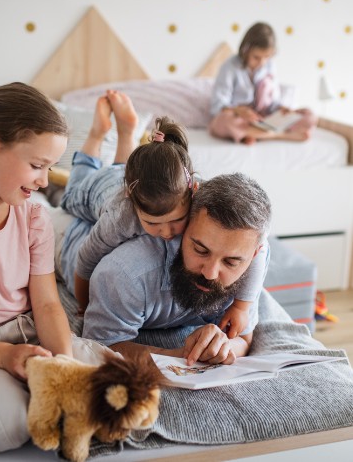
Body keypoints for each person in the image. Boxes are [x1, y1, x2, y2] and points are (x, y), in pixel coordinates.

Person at [0, 82, 112, 453]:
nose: (45, 181)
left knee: (110, 387)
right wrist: (4, 357)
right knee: (8, 427)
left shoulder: (33, 216)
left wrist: (63, 364)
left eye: (49, 168)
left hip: (31, 334)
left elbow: (47, 304)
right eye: (36, 166)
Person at [59, 90, 268, 339]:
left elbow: (257, 245)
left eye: (178, 220)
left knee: (127, 169)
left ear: (194, 190)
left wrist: (242, 306)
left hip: (142, 181)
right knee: (72, 192)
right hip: (101, 190)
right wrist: (83, 304)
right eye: (153, 224)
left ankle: (126, 133)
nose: (168, 233)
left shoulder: (199, 196)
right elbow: (86, 260)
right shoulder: (121, 216)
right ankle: (98, 134)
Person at [55, 170, 272, 365]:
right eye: (200, 250)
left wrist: (223, 347)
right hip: (71, 235)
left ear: (253, 254)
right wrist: (179, 356)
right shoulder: (127, 272)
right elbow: (101, 347)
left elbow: (243, 338)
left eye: (231, 262)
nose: (210, 273)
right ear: (186, 225)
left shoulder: (249, 261)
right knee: (66, 196)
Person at [209, 22, 317, 145]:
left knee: (310, 115)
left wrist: (282, 108)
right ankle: (280, 135)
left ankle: (253, 135)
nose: (262, 62)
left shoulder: (270, 66)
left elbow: (273, 102)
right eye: (256, 57)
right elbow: (217, 106)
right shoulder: (230, 67)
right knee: (223, 121)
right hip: (239, 118)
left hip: (263, 119)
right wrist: (238, 111)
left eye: (267, 57)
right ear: (245, 50)